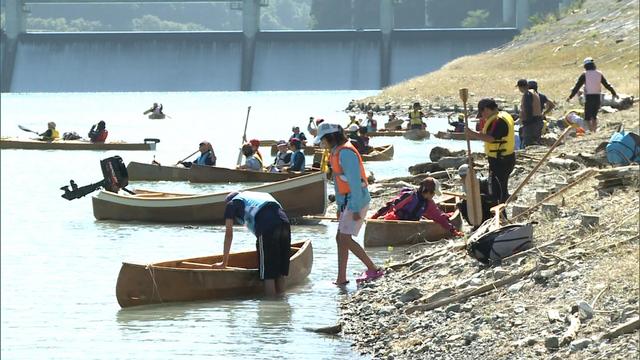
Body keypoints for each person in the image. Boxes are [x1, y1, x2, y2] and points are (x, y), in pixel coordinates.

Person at [314, 122, 383, 286]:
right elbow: (339, 184)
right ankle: (341, 278)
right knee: (340, 238)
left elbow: (354, 182)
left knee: (344, 238)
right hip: (347, 202)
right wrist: (339, 207)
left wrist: (355, 208)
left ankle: (373, 268)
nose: (322, 144)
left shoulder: (345, 153)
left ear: (331, 137)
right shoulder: (336, 152)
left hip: (356, 201)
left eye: (323, 140)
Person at [211, 191, 291, 296]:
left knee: (268, 274)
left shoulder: (232, 203)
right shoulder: (257, 197)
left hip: (267, 224)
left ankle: (270, 307)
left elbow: (228, 235)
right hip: (285, 222)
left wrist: (224, 263)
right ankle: (282, 304)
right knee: (280, 272)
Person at [370, 178, 464, 237]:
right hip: (396, 220)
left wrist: (453, 230)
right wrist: (374, 218)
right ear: (427, 192)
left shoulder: (429, 203)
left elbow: (439, 218)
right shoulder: (409, 196)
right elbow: (390, 205)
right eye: (433, 193)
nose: (433, 196)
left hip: (411, 224)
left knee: (443, 216)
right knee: (388, 216)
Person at [464, 98, 516, 204]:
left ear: (487, 109)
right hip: (505, 157)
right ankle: (502, 211)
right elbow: (492, 134)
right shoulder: (503, 116)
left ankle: (500, 214)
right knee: (501, 188)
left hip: (500, 160)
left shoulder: (498, 120)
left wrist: (471, 133)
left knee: (496, 191)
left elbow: (491, 138)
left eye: (482, 113)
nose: (483, 117)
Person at [566, 57, 618, 133]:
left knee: (587, 116)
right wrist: (614, 93)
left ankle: (590, 130)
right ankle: (594, 130)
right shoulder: (599, 73)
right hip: (597, 96)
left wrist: (570, 97)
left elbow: (577, 87)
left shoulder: (584, 74)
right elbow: (607, 85)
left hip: (589, 97)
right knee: (594, 115)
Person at [516, 79, 543, 147]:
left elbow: (528, 110)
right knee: (535, 143)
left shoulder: (527, 94)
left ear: (521, 87)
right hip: (537, 121)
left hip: (531, 123)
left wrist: (525, 122)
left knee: (529, 144)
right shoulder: (533, 92)